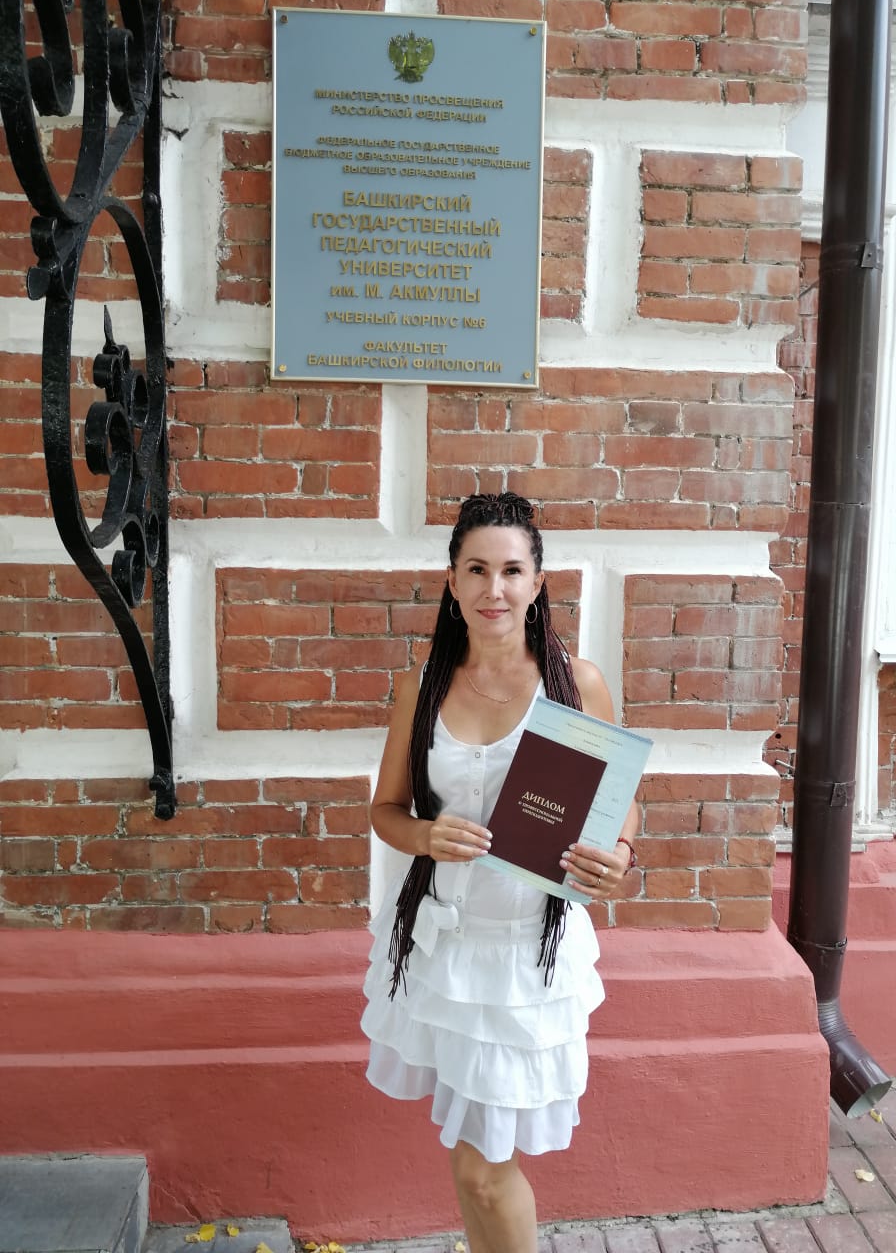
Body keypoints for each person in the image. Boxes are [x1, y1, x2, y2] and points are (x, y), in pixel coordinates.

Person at [360, 492, 639, 1253]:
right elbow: (385, 810)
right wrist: (424, 834)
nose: (495, 588)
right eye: (477, 569)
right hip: (445, 950)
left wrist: (619, 857)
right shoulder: (423, 687)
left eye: (512, 570)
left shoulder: (574, 685)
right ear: (451, 581)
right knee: (468, 1161)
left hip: (526, 957)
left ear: (538, 581)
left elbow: (620, 809)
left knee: (486, 1172)